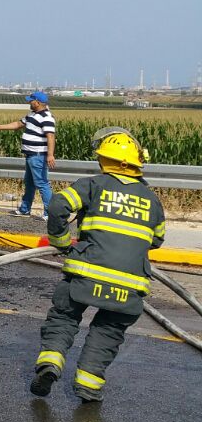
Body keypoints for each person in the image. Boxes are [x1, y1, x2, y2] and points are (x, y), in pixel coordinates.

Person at [30, 128, 165, 403]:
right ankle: (88, 386)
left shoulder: (93, 185)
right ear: (137, 164)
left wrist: (62, 241)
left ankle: (51, 364)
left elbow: (58, 205)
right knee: (108, 331)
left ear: (104, 161)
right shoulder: (153, 201)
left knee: (65, 317)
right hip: (130, 285)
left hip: (86, 274)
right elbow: (157, 241)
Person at [0, 91, 56, 219]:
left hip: (38, 155)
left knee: (42, 183)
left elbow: (50, 136)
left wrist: (50, 155)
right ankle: (25, 209)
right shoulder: (32, 114)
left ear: (38, 102)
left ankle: (50, 213)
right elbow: (18, 124)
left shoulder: (46, 117)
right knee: (29, 183)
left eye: (31, 100)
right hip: (30, 156)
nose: (29, 102)